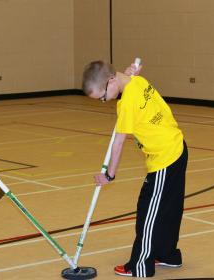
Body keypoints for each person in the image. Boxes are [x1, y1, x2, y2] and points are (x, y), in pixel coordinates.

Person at [82, 61, 188, 277]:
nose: (104, 101)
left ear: (111, 81)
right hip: (178, 148)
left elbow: (118, 143)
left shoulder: (127, 102)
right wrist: (126, 75)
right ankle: (168, 255)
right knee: (168, 210)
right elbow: (125, 81)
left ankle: (140, 265)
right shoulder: (137, 81)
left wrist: (109, 175)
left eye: (103, 96)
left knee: (147, 212)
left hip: (164, 159)